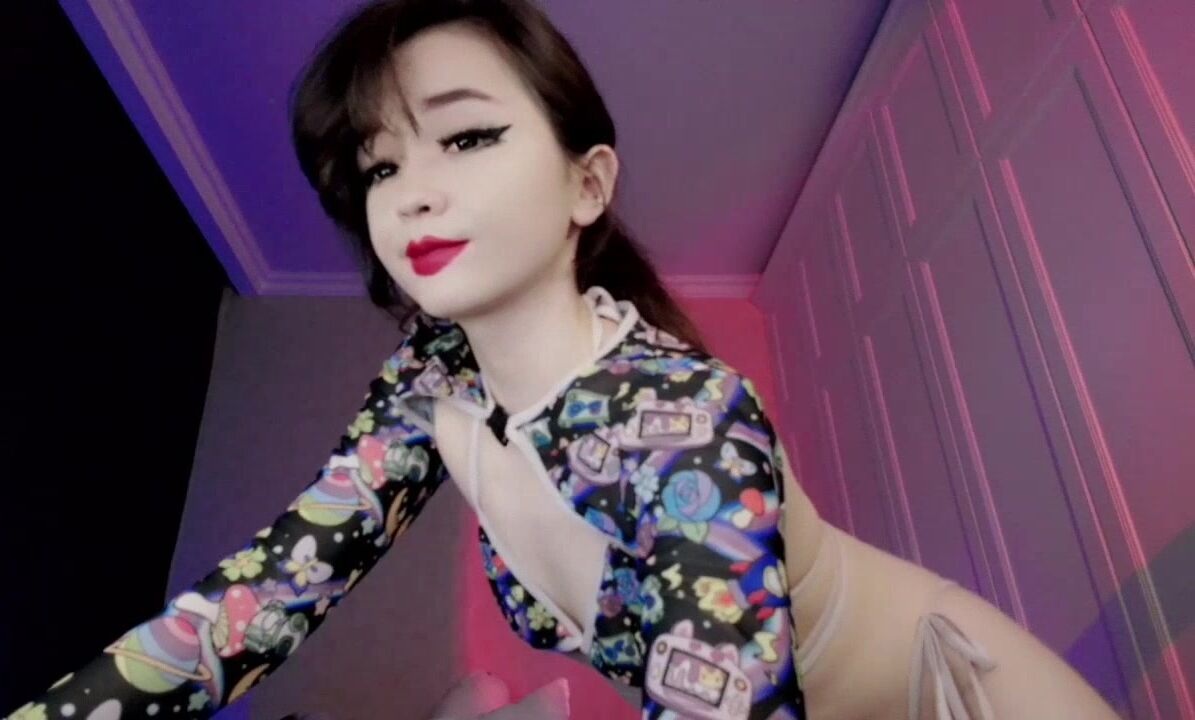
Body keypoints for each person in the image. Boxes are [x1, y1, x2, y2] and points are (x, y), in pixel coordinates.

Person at [5, 1, 1122, 719]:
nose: (412, 193)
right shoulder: (429, 386)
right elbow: (262, 599)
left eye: (466, 137)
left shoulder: (688, 422)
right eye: (379, 166)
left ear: (587, 183)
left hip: (955, 693)